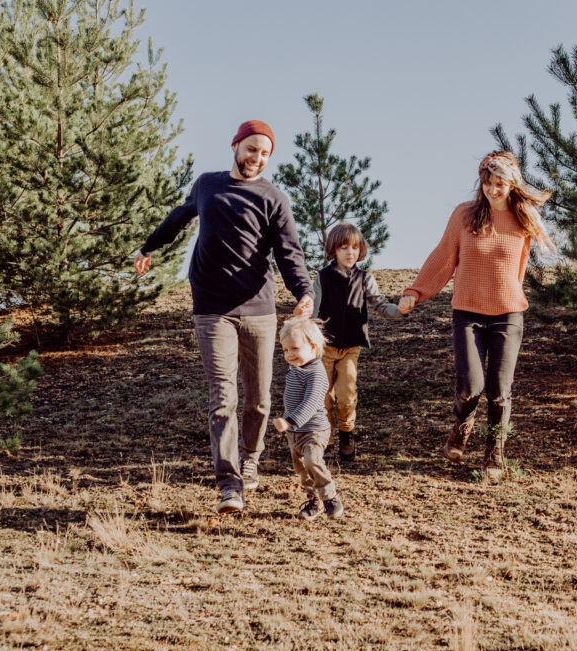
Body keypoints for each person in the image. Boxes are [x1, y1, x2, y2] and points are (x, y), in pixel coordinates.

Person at [134, 120, 313, 514]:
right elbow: (179, 218)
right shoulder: (207, 184)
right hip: (212, 308)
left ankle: (251, 455)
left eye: (265, 153)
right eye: (251, 149)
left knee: (260, 400)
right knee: (222, 397)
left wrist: (303, 291)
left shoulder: (273, 198)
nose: (257, 158)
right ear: (235, 146)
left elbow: (289, 252)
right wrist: (149, 247)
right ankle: (229, 484)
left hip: (258, 309)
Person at [398, 151, 552, 481]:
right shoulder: (464, 216)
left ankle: (494, 450)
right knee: (470, 386)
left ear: (512, 185)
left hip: (508, 315)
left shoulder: (523, 220)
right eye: (487, 182)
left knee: (499, 390)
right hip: (467, 313)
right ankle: (463, 422)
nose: (492, 190)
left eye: (500, 184)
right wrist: (415, 291)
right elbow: (443, 257)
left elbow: (519, 270)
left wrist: (506, 296)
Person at [312, 222, 403, 461]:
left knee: (347, 392)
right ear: (333, 250)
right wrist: (307, 336)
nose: (350, 252)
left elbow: (380, 304)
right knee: (323, 395)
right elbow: (313, 311)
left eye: (354, 247)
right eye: (343, 247)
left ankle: (346, 434)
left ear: (360, 250)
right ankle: (324, 437)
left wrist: (401, 310)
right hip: (324, 347)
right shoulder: (322, 278)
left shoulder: (365, 279)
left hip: (351, 347)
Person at [272, 317, 344, 520]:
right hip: (294, 433)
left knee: (313, 460)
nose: (289, 355)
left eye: (294, 348)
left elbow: (311, 402)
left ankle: (331, 498)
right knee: (302, 470)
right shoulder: (296, 368)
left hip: (313, 430)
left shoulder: (317, 373)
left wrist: (289, 421)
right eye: (285, 350)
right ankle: (315, 501)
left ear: (313, 348)